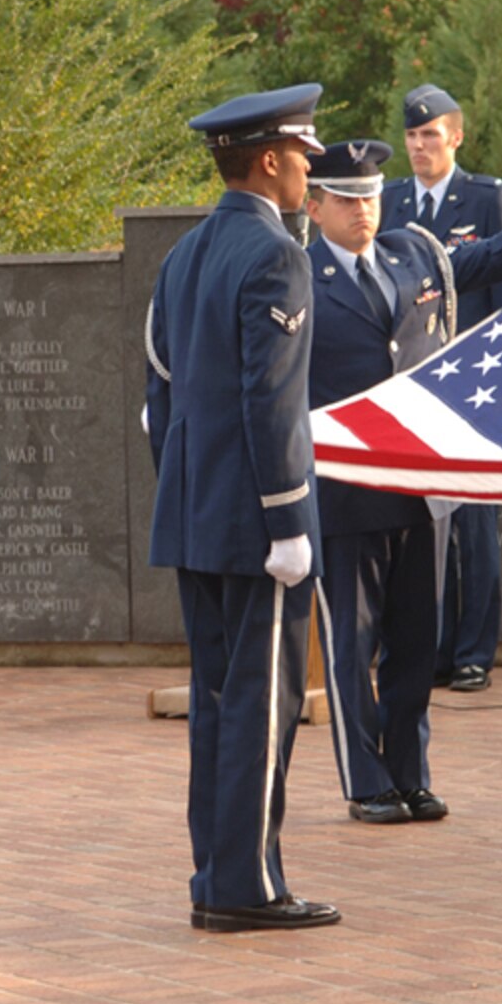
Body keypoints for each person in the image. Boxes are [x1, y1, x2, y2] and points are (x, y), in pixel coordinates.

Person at [305, 139, 502, 823]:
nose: (364, 211)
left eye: (370, 197)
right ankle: (366, 782)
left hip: (422, 488)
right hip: (345, 491)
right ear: (313, 206)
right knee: (352, 647)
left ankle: (410, 772)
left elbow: (486, 258)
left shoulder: (411, 255)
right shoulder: (297, 278)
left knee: (417, 641)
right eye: (346, 200)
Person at [144, 82, 338, 933]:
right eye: (303, 157)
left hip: (196, 515)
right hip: (257, 527)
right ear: (269, 161)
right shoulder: (276, 256)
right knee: (262, 704)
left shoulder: (185, 253)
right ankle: (247, 887)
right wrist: (288, 517)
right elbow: (271, 403)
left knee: (219, 701)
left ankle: (217, 874)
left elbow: (157, 396)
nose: (309, 172)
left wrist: (188, 492)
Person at [385, 83, 502, 693]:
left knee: (473, 525)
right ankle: (431, 649)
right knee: (417, 524)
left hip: (473, 387)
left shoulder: (488, 199)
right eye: (412, 136)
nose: (419, 145)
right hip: (407, 390)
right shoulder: (388, 206)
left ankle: (472, 651)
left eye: (430, 135)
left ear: (456, 137)